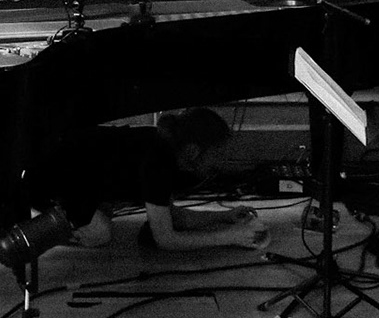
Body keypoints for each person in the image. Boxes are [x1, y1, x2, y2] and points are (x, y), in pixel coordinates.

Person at [22, 107, 269, 252]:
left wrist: (224, 217)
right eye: (216, 155)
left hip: (76, 178)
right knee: (100, 233)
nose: (220, 163)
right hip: (46, 181)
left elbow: (173, 216)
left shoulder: (165, 148)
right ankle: (39, 224)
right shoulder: (158, 162)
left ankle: (72, 212)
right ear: (194, 151)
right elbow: (166, 239)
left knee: (101, 215)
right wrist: (230, 236)